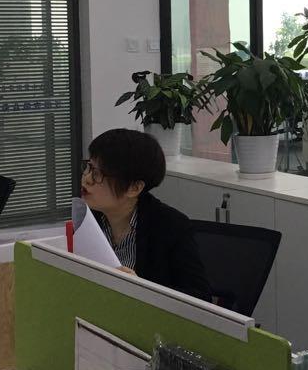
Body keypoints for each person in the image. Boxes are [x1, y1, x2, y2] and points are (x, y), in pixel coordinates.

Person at [80, 128, 213, 302]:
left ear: (134, 188)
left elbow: (200, 298)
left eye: (97, 174)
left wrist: (143, 288)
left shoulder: (171, 226)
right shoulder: (87, 219)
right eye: (89, 167)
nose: (87, 179)